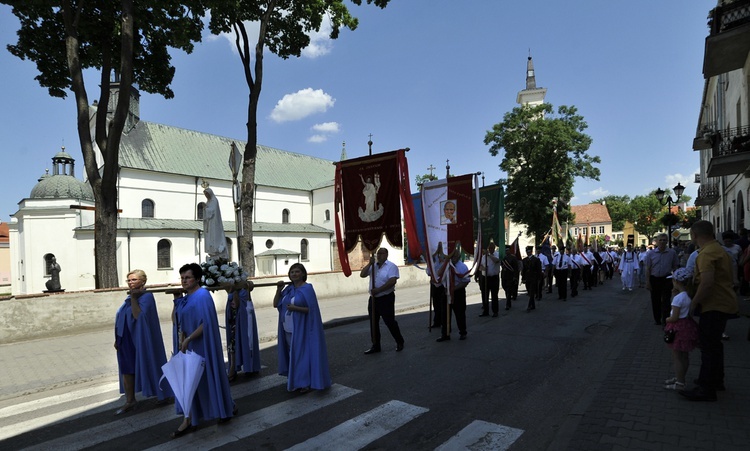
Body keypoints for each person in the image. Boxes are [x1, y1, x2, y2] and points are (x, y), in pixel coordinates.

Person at [170, 263, 236, 438]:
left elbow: (206, 323)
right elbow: (177, 321)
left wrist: (190, 338)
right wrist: (182, 339)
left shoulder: (203, 295)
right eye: (182, 278)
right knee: (188, 382)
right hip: (188, 345)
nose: (184, 281)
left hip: (202, 345)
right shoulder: (185, 297)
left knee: (207, 378)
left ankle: (224, 407)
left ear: (197, 278)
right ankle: (189, 418)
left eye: (188, 277)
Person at [680, 221, 740, 402]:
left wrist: (693, 303)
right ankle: (715, 380)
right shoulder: (720, 249)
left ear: (694, 235)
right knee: (714, 345)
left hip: (713, 305)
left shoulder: (706, 254)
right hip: (722, 303)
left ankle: (706, 389)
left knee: (707, 347)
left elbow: (706, 283)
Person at [114, 270, 172, 415]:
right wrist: (117, 338)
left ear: (143, 281)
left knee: (150, 363)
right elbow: (121, 318)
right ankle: (130, 400)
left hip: (140, 339)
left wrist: (134, 298)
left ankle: (162, 393)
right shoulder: (129, 297)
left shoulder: (147, 297)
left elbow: (138, 316)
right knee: (126, 369)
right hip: (125, 339)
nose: (130, 283)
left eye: (134, 280)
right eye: (128, 280)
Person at [273, 263, 331, 392]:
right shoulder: (288, 289)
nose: (294, 274)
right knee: (292, 354)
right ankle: (296, 380)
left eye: (297, 271)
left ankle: (304, 382)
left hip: (302, 328)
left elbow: (311, 310)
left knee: (301, 355)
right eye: (292, 272)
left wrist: (295, 308)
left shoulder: (307, 289)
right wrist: (278, 290)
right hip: (287, 327)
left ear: (303, 274)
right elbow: (276, 303)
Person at [360, 248, 405, 353]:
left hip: (386, 298)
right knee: (373, 322)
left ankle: (399, 341)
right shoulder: (373, 266)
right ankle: (376, 345)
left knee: (389, 321)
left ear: (386, 254)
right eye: (378, 253)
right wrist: (369, 264)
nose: (379, 255)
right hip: (374, 299)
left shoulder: (391, 266)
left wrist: (379, 290)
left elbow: (392, 281)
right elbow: (362, 274)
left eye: (381, 253)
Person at [663, 267, 699, 391]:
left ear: (677, 282)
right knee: (684, 356)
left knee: (677, 356)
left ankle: (680, 382)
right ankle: (680, 377)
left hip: (678, 328)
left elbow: (674, 317)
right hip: (687, 326)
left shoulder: (678, 299)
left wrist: (667, 319)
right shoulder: (687, 296)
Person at [225, 285, 261, 381]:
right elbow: (231, 303)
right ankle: (233, 368)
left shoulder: (244, 293)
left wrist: (235, 290)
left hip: (243, 325)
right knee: (233, 347)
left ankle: (247, 367)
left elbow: (237, 303)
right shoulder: (233, 292)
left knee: (246, 345)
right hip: (234, 326)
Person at [437, 249, 471, 341]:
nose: (453, 258)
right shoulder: (446, 265)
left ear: (458, 257)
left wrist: (453, 289)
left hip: (457, 292)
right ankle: (445, 334)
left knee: (460, 313)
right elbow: (438, 274)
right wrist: (445, 263)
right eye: (451, 256)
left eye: (454, 257)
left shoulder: (462, 267)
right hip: (446, 291)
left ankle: (462, 332)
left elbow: (465, 281)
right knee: (444, 314)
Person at [645, 234, 679, 325]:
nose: (663, 242)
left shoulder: (672, 253)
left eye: (664, 240)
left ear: (667, 241)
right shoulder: (651, 253)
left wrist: (676, 281)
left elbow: (675, 267)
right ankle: (657, 319)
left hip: (666, 279)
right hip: (654, 279)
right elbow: (648, 268)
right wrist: (648, 282)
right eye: (661, 240)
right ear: (657, 241)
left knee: (666, 300)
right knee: (655, 300)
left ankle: (665, 320)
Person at [203, 187, 229, 259]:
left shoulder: (214, 200)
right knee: (210, 237)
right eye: (205, 195)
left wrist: (206, 209)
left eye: (207, 194)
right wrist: (205, 209)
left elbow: (213, 211)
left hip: (214, 223)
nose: (206, 196)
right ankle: (211, 251)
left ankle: (216, 250)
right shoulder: (208, 202)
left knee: (214, 236)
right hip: (209, 223)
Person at [478, 242, 500, 317]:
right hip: (485, 278)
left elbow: (496, 261)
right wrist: (483, 268)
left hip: (494, 277)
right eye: (489, 248)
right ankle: (485, 310)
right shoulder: (484, 257)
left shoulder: (497, 254)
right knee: (484, 295)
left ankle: (495, 311)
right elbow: (480, 266)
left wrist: (489, 255)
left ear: (494, 248)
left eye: (492, 248)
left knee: (494, 295)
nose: (490, 249)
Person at [522, 246, 543, 312]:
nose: (528, 253)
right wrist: (523, 278)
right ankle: (533, 305)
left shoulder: (536, 260)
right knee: (529, 291)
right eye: (527, 252)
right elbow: (523, 270)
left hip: (534, 278)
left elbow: (539, 270)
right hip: (527, 278)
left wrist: (539, 278)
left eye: (529, 252)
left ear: (531, 252)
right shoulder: (524, 260)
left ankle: (529, 306)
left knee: (531, 292)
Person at [501, 245, 521, 310]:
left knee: (508, 290)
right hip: (504, 276)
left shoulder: (513, 258)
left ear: (509, 250)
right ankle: (508, 302)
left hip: (510, 276)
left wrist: (515, 277)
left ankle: (507, 304)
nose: (506, 251)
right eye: (505, 250)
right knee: (505, 288)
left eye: (507, 250)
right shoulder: (503, 258)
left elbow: (515, 268)